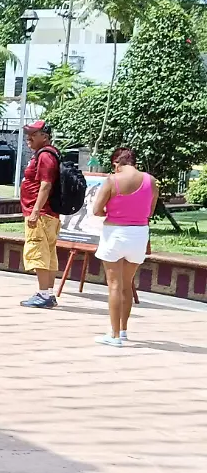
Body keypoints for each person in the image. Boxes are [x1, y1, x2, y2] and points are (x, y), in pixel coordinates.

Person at [91, 147, 157, 347]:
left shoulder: (112, 180)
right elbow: (150, 211)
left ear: (116, 164)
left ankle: (114, 335)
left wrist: (109, 212)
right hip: (139, 234)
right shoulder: (151, 181)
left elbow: (96, 210)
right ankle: (124, 330)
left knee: (114, 285)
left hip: (115, 234)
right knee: (127, 284)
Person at [19, 120, 62, 309]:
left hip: (41, 213)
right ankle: (48, 293)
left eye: (33, 134)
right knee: (49, 253)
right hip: (48, 213)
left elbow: (46, 185)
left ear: (44, 136)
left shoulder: (45, 156)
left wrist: (35, 211)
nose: (29, 137)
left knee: (38, 252)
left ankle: (44, 294)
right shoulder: (48, 154)